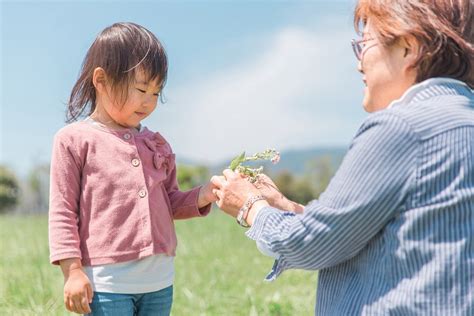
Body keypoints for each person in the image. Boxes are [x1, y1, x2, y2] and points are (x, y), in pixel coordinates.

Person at [211, 0, 474, 314]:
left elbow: (311, 244)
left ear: (408, 47)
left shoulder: (402, 128)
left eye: (364, 44)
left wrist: (250, 207)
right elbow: (373, 232)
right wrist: (285, 207)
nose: (359, 63)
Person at [48, 22, 217, 315]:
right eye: (141, 89)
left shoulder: (156, 144)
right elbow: (63, 212)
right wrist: (72, 272)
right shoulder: (74, 140)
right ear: (100, 80)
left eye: (156, 92)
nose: (149, 102)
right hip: (106, 286)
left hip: (159, 282)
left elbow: (169, 202)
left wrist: (205, 194)